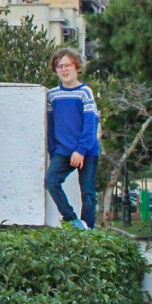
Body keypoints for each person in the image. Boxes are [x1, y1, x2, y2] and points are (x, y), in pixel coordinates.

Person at [46, 48, 100, 229]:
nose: (64, 69)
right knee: (51, 181)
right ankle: (72, 220)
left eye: (67, 65)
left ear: (76, 67)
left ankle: (89, 231)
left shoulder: (85, 92)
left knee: (88, 194)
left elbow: (90, 123)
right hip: (63, 150)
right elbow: (51, 125)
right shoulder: (52, 95)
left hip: (86, 150)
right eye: (59, 66)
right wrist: (53, 152)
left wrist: (81, 150)